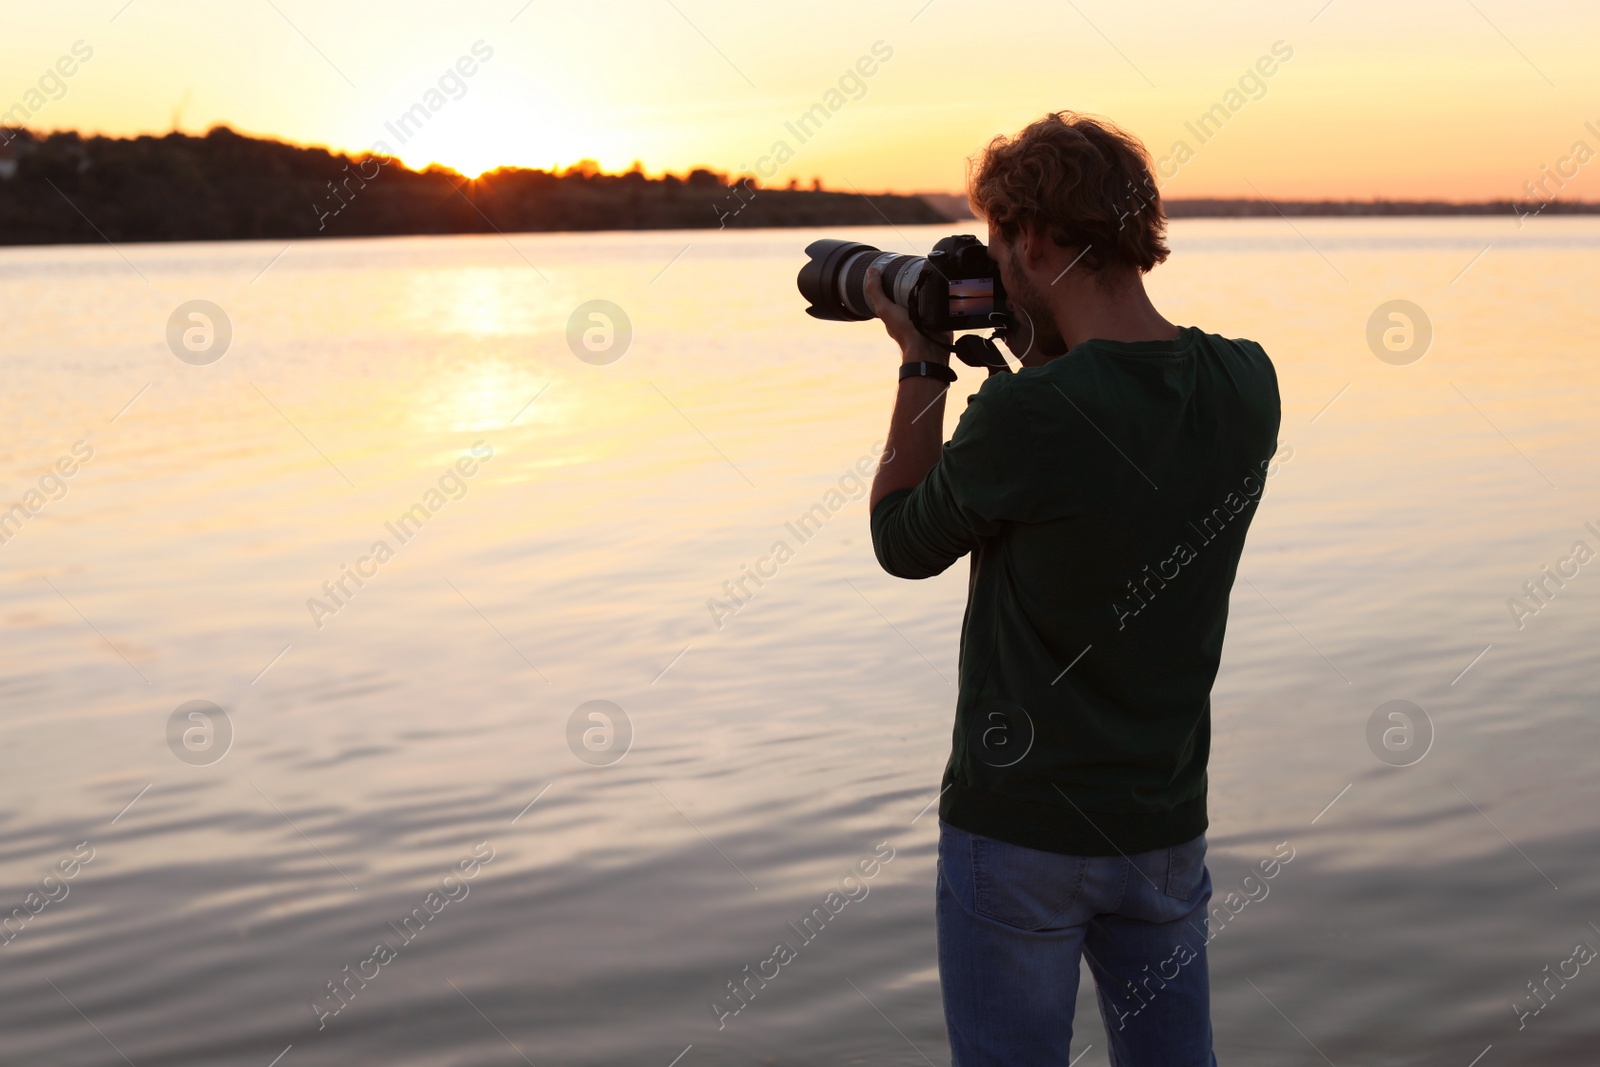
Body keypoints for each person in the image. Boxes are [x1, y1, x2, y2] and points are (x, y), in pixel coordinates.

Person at [864, 111, 1282, 1066]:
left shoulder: (1028, 414)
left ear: (1039, 237)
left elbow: (901, 538)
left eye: (1004, 242)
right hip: (1163, 825)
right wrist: (1032, 342)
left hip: (1019, 832)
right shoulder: (1245, 381)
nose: (1000, 263)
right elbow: (1112, 424)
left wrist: (923, 361)